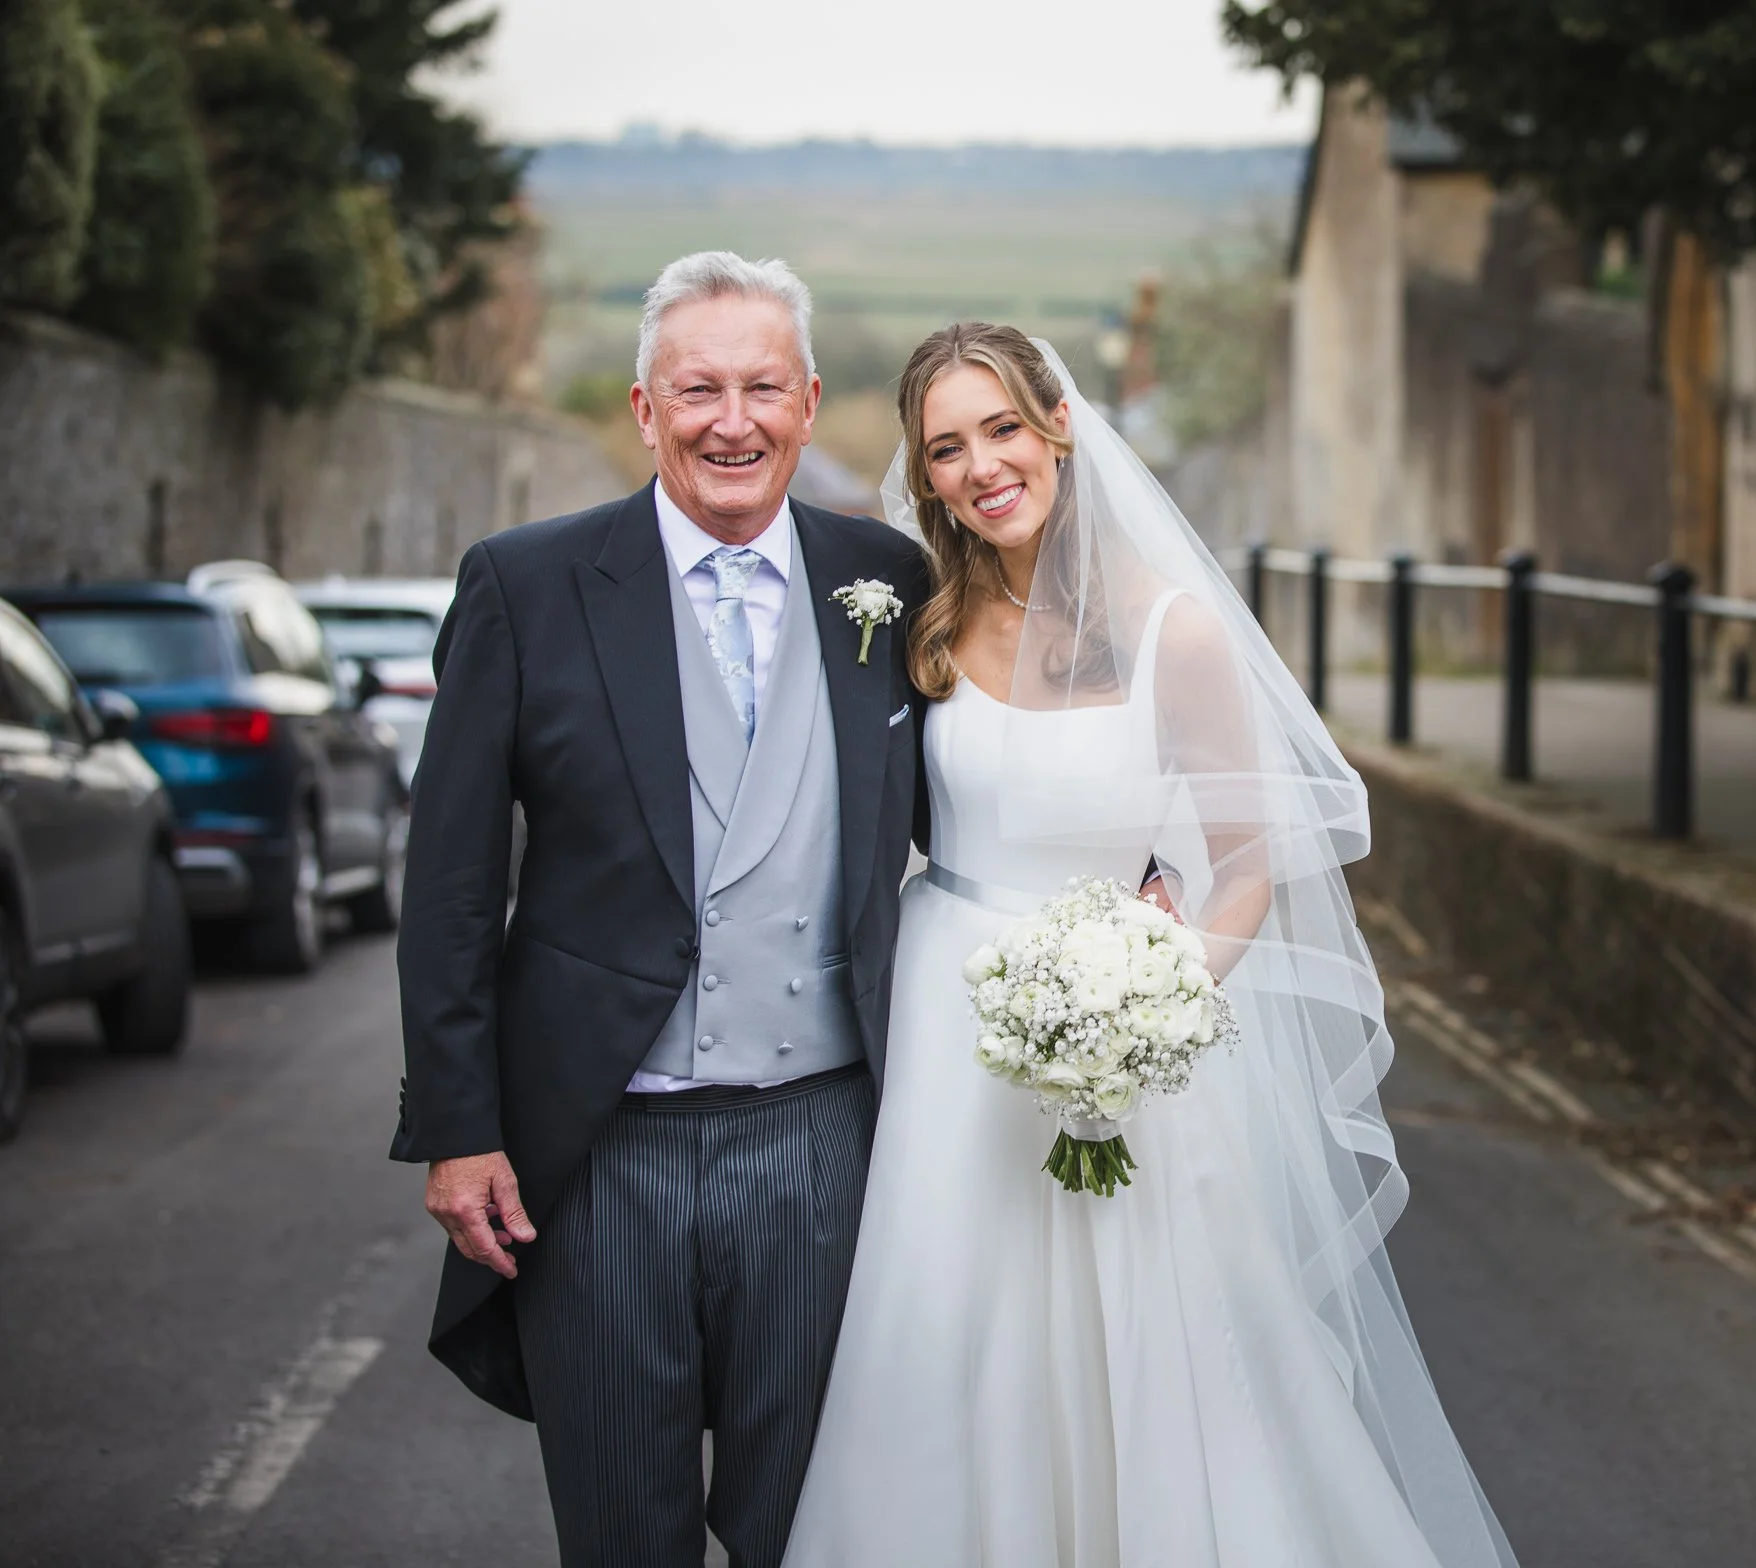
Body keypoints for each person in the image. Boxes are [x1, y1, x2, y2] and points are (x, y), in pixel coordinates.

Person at [782, 323, 1519, 1566]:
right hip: (943, 1038)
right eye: (947, 448)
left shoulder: (1174, 631)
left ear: (1059, 424)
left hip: (1120, 1046)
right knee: (946, 1345)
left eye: (1002, 428)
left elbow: (1243, 868)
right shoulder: (926, 619)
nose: (981, 467)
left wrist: (1150, 999)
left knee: (1153, 1378)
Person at [390, 251, 930, 1568]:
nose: (729, 420)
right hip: (602, 1155)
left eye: (761, 387)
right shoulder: (527, 584)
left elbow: (980, 810)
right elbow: (453, 879)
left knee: (812, 1530)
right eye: (697, 389)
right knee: (622, 1530)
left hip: (825, 1144)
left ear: (809, 404)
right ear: (646, 410)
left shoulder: (891, 584)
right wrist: (459, 1128)